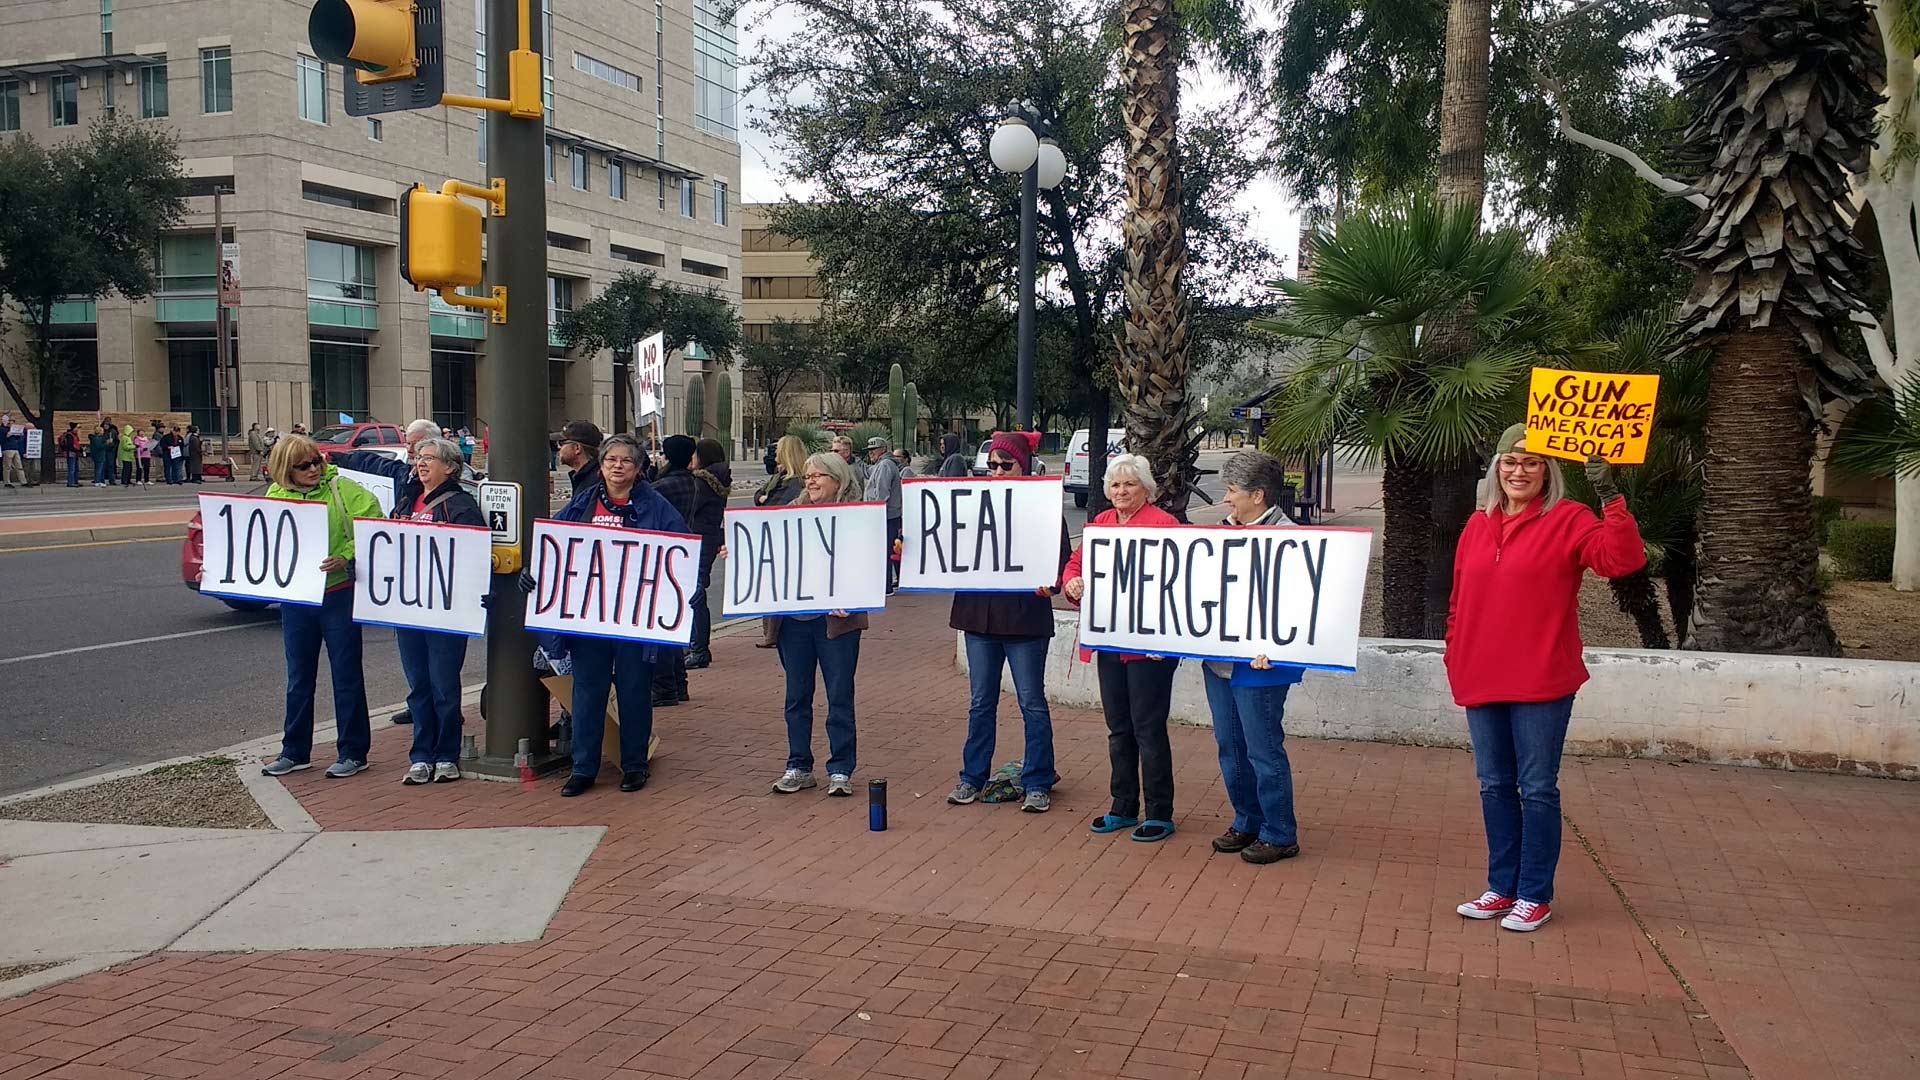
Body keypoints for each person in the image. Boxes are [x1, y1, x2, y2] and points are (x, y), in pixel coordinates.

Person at [1448, 425, 1646, 932]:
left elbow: (1621, 561)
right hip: (1482, 677)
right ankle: (1502, 887)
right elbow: (1460, 600)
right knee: (1494, 785)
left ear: (1548, 471)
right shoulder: (1477, 525)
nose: (1519, 471)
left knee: (1536, 788)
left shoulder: (1569, 520)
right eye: (1511, 462)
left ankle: (1534, 894)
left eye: (1532, 463)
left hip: (1541, 680)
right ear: (1497, 468)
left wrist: (1610, 496)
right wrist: (1455, 653)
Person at [542, 433, 688, 797]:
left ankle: (634, 765)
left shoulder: (656, 507)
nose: (617, 466)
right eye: (611, 460)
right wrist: (538, 570)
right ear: (602, 465)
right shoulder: (583, 504)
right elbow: (555, 544)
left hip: (635, 619)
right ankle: (583, 768)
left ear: (639, 469)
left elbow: (681, 550)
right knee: (587, 693)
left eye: (626, 460)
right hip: (589, 618)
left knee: (634, 691)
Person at [947, 432, 1071, 814]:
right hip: (978, 617)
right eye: (993, 465)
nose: (998, 471)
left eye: (1006, 465)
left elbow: (1060, 564)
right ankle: (972, 776)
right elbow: (948, 544)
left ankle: (1037, 780)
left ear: (1025, 466)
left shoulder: (1045, 509)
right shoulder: (970, 507)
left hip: (1024, 620)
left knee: (1031, 702)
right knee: (980, 702)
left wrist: (1050, 586)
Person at [1062, 453, 1183, 843]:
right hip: (1111, 641)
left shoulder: (1165, 524)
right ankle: (1123, 805)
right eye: (1115, 484)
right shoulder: (1100, 524)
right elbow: (1076, 564)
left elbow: (1181, 582)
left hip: (1150, 646)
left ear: (1145, 488)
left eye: (1129, 484)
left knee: (1148, 728)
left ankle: (1160, 812)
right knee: (1118, 728)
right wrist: (1073, 583)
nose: (1121, 491)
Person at [1203, 450, 1310, 865]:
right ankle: (1247, 818)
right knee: (1230, 746)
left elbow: (1301, 606)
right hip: (1219, 661)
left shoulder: (1293, 539)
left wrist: (1279, 649)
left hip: (1262, 666)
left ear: (1259, 495)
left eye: (1232, 491)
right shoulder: (1218, 534)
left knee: (1262, 749)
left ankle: (1280, 831)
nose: (1226, 499)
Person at [259, 434, 384, 779]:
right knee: (298, 677)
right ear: (286, 470)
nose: (314, 469)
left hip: (338, 593)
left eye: (316, 461)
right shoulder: (275, 495)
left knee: (346, 675)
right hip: (298, 598)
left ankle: (354, 751)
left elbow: (373, 522)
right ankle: (295, 751)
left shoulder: (343, 490)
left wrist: (345, 555)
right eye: (303, 466)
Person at [764, 452, 869, 797]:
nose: (810, 481)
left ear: (838, 480)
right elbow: (768, 554)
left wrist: (852, 599)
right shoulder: (787, 515)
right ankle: (798, 765)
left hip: (836, 623)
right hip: (793, 623)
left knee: (839, 695)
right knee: (797, 696)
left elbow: (868, 566)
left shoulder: (857, 518)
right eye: (807, 475)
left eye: (818, 475)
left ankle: (840, 768)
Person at [393, 437, 488, 785]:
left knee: (444, 686)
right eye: (419, 457)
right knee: (418, 686)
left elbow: (475, 555)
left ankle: (446, 754)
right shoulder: (406, 500)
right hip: (408, 609)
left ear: (450, 467)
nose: (421, 464)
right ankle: (420, 755)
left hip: (446, 613)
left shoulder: (461, 506)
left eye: (430, 458)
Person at [649, 435, 717, 700]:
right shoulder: (694, 483)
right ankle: (678, 682)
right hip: (687, 552)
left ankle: (667, 685)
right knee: (678, 616)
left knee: (662, 621)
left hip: (666, 555)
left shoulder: (662, 487)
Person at [687, 437, 731, 669]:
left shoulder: (700, 483)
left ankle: (699, 648)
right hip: (709, 537)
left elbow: (690, 508)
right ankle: (696, 644)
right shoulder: (719, 480)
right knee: (698, 589)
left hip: (697, 538)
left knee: (695, 593)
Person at [863, 436, 904, 593]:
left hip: (886, 516)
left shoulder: (885, 465)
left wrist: (875, 511)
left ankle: (886, 587)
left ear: (882, 450)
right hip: (889, 515)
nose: (871, 453)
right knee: (888, 551)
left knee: (884, 552)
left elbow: (882, 491)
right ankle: (888, 584)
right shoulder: (883, 464)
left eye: (873, 450)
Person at [755, 435, 808, 507]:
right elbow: (759, 493)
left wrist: (762, 498)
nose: (776, 451)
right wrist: (760, 498)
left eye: (778, 448)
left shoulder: (793, 481)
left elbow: (772, 506)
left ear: (786, 453)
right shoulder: (779, 475)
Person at [553, 420, 602, 495]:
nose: (558, 448)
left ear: (577, 448)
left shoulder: (595, 482)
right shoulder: (587, 477)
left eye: (561, 443)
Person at [0, 414, 25, 487]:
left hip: (15, 448)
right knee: (7, 466)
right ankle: (7, 482)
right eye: (8, 421)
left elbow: (17, 438)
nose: (10, 422)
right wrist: (7, 436)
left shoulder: (11, 428)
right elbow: (1, 440)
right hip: (7, 449)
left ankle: (23, 481)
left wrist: (19, 434)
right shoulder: (2, 429)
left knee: (19, 466)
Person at [58, 422, 82, 487]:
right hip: (71, 453)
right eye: (77, 428)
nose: (78, 429)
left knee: (76, 468)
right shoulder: (69, 436)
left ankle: (75, 481)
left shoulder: (74, 435)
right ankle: (71, 482)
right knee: (72, 469)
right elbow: (70, 446)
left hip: (75, 453)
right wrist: (78, 450)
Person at [117, 421, 136, 487]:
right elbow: (125, 447)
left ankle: (128, 480)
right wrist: (134, 446)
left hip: (128, 456)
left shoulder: (128, 438)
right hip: (125, 456)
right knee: (126, 469)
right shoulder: (125, 438)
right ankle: (124, 480)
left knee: (129, 469)